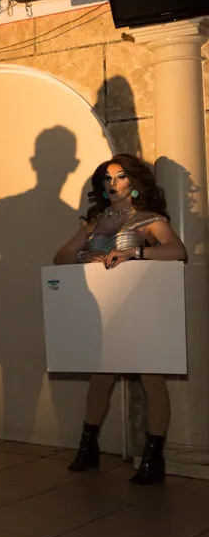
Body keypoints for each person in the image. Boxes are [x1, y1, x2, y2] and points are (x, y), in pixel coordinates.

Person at [53, 153, 187, 484]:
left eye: (120, 176)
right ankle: (88, 448)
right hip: (106, 308)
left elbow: (177, 251)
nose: (113, 184)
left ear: (134, 183)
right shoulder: (95, 221)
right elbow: (61, 257)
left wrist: (135, 252)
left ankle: (153, 459)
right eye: (107, 178)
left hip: (139, 306)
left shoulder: (147, 218)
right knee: (100, 377)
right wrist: (87, 255)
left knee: (152, 378)